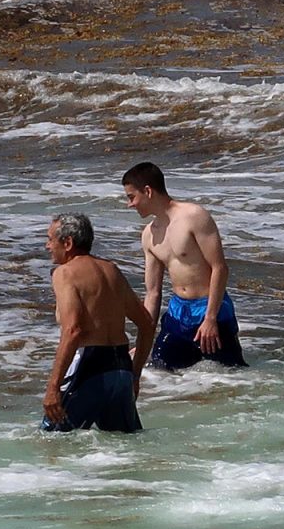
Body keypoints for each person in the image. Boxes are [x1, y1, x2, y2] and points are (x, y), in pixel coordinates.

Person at [122, 161, 249, 370]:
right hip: (178, 313)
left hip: (210, 309)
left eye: (131, 197)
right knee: (159, 371)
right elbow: (153, 293)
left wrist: (210, 319)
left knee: (231, 377)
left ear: (147, 191)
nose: (130, 204)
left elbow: (220, 268)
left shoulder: (194, 216)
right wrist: (143, 342)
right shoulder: (148, 235)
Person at [42, 212, 156, 432]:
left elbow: (73, 330)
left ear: (67, 243)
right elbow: (146, 324)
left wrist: (53, 387)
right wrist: (134, 373)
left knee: (51, 445)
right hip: (120, 369)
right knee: (125, 448)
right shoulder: (111, 270)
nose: (47, 246)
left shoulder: (64, 273)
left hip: (89, 367)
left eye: (50, 239)